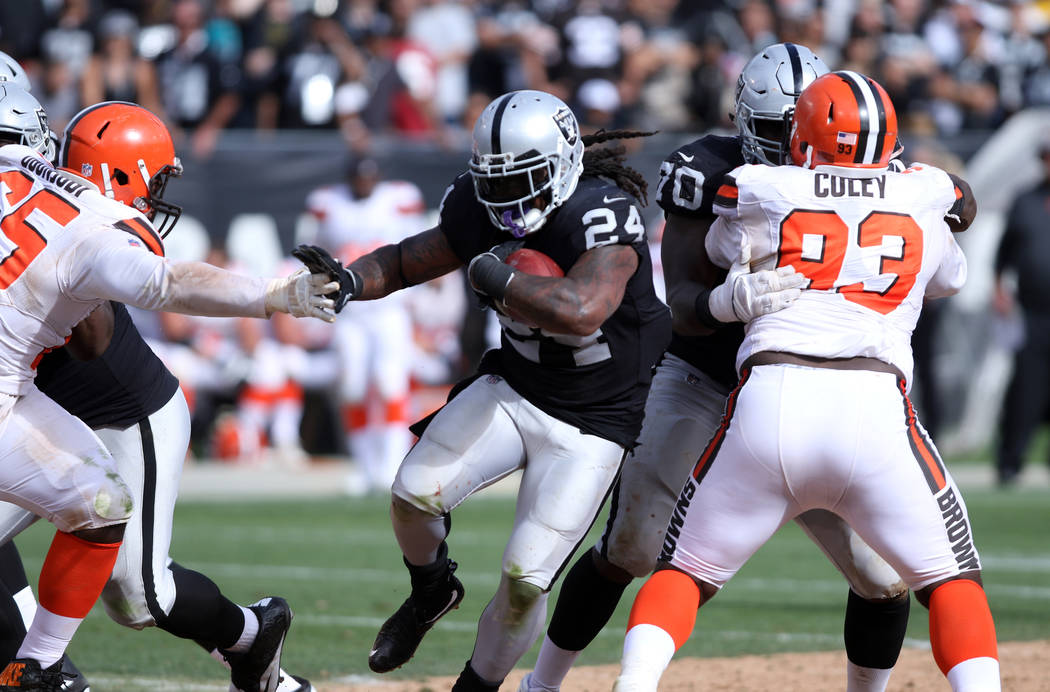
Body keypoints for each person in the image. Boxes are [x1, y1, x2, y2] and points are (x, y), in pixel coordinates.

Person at [520, 43, 921, 692]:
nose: (798, 147)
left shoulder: (868, 172)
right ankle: (542, 683)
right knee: (630, 548)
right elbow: (678, 304)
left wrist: (953, 193)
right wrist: (731, 300)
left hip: (822, 391)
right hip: (707, 377)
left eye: (809, 127)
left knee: (883, 575)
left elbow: (946, 207)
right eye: (779, 132)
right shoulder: (708, 172)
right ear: (744, 124)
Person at [614, 71, 998, 692]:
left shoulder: (759, 185)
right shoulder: (925, 191)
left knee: (682, 573)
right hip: (874, 407)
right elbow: (949, 274)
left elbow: (718, 243)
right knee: (953, 582)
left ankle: (633, 684)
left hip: (771, 400)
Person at [295, 89, 672, 692]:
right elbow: (404, 261)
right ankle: (431, 589)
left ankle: (476, 687)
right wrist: (349, 280)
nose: (506, 197)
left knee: (525, 579)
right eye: (494, 181)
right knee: (413, 494)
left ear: (563, 163)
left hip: (596, 416)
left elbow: (581, 311)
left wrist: (494, 273)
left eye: (522, 178)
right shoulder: (478, 202)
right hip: (518, 383)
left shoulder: (602, 211)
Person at [0, 89, 335, 692]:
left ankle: (253, 638)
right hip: (34, 412)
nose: (155, 200)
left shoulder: (75, 225)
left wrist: (274, 295)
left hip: (126, 413)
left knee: (138, 596)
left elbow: (102, 330)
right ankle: (41, 667)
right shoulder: (76, 215)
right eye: (151, 182)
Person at [304, 156, 426, 493]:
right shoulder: (329, 204)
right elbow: (317, 254)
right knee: (352, 386)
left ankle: (392, 465)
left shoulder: (399, 199)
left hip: (390, 308)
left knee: (390, 383)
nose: (364, 184)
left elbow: (421, 248)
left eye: (370, 178)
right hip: (352, 310)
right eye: (359, 178)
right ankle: (364, 464)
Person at [993, 139, 1050, 487]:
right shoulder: (1026, 200)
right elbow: (1005, 250)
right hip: (1032, 311)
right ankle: (1011, 460)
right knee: (1026, 387)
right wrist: (998, 286)